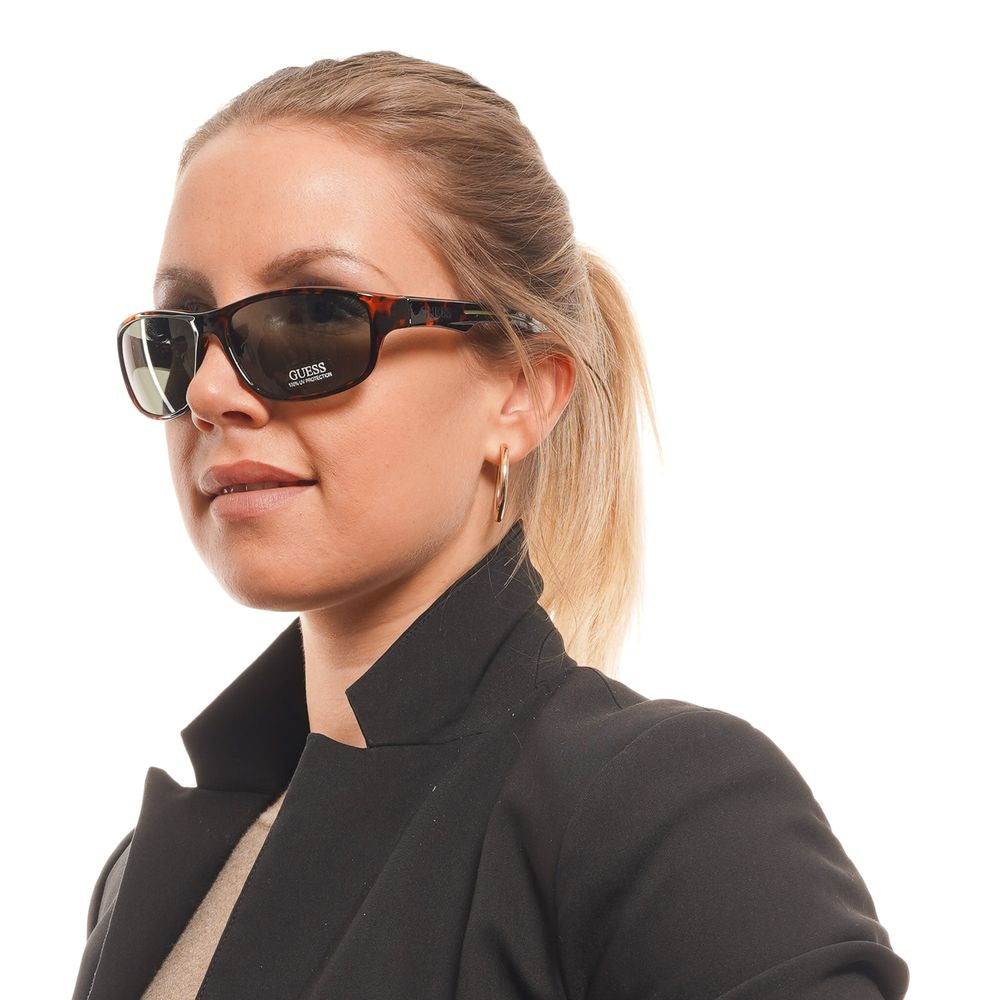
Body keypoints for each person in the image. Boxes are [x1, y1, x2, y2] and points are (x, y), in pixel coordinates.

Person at [73, 51, 910, 1000]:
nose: (211, 393)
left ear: (520, 392)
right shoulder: (146, 874)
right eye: (180, 333)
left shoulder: (663, 810)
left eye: (310, 321)